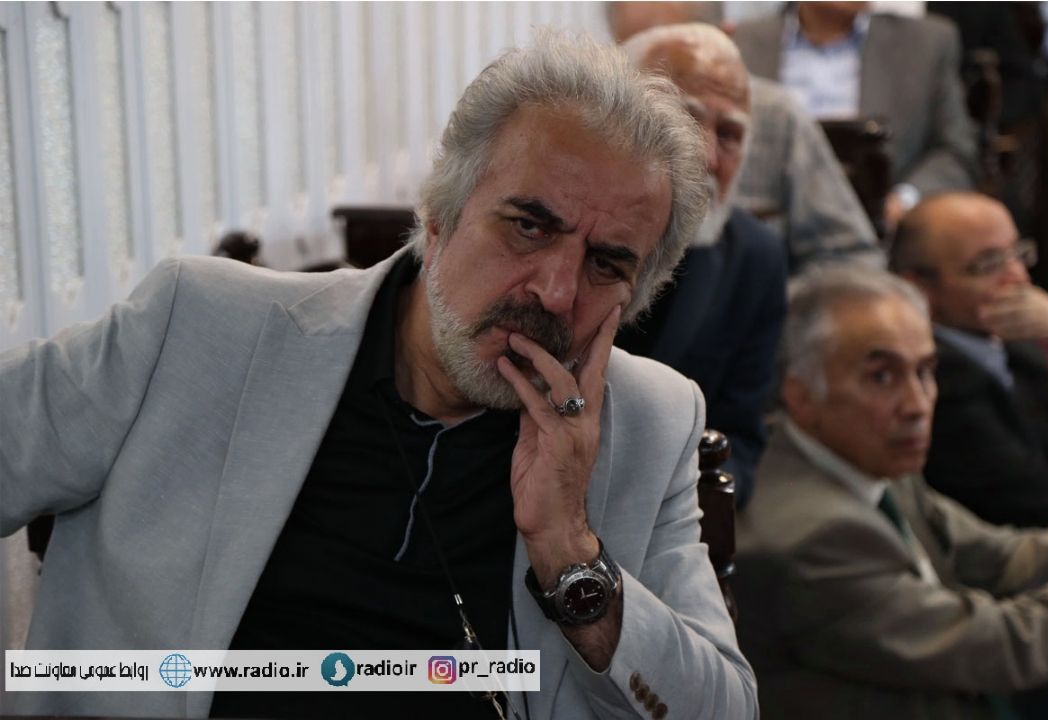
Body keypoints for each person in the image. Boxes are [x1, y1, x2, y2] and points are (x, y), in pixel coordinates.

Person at [0, 31, 756, 720]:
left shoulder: (648, 423)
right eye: (529, 226)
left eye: (606, 264)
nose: (556, 292)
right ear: (439, 215)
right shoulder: (200, 328)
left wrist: (570, 551)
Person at [735, 265, 1048, 720]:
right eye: (882, 377)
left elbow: (1003, 558)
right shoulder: (810, 539)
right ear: (800, 395)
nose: (917, 405)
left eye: (925, 371)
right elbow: (1002, 648)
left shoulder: (863, 453)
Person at [617, 22, 787, 506]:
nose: (708, 156)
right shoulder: (553, 235)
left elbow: (740, 441)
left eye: (730, 135)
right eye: (684, 121)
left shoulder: (755, 260)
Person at [607, 1, 883, 272]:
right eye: (629, 52)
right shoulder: (606, 114)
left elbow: (851, 257)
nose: (708, 156)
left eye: (669, 52)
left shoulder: (775, 117)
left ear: (724, 36)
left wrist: (770, 295)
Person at [890, 192, 1048, 528]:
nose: (1018, 277)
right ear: (919, 289)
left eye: (1018, 253)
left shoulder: (1014, 342)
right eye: (989, 264)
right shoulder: (939, 382)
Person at [732, 2, 979, 231]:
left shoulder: (925, 43)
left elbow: (956, 152)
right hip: (764, 222)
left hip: (880, 228)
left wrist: (903, 200)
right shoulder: (741, 40)